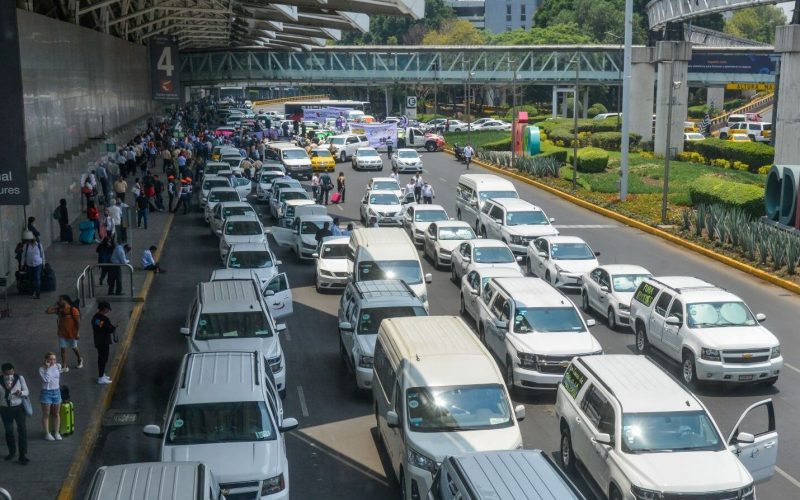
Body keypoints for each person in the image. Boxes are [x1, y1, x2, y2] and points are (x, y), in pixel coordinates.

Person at [1, 362, 29, 464]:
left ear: (14, 370)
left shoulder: (19, 378)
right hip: (5, 409)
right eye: (7, 373)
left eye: (11, 372)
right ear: (3, 373)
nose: (9, 375)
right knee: (9, 431)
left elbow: (26, 391)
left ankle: (22, 455)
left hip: (18, 408)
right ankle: (11, 452)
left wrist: (21, 393)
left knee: (22, 430)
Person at [45, 295, 83, 371]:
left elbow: (78, 322)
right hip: (62, 333)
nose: (59, 301)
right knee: (63, 349)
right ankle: (64, 366)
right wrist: (54, 304)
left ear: (65, 301)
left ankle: (80, 358)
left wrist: (77, 333)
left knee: (74, 347)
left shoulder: (73, 310)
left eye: (60, 300)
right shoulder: (59, 310)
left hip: (72, 333)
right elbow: (47, 311)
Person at [38, 352, 62, 441]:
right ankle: (47, 433)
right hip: (46, 392)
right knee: (46, 414)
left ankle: (56, 432)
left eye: (54, 359)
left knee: (56, 413)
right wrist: (47, 368)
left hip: (57, 391)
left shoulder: (58, 366)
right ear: (46, 360)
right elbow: (46, 380)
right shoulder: (41, 369)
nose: (53, 361)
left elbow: (58, 375)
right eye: (51, 359)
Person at [91, 302, 116, 385]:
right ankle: (101, 378)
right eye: (108, 309)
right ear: (105, 309)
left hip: (98, 341)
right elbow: (109, 329)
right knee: (103, 359)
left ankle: (102, 374)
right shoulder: (104, 319)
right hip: (104, 342)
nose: (109, 311)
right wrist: (115, 327)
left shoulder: (96, 317)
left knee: (102, 358)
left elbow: (100, 327)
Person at [20, 231, 44, 299]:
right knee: (31, 279)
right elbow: (23, 255)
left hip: (38, 264)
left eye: (34, 237)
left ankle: (38, 293)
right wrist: (22, 264)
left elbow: (42, 255)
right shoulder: (26, 246)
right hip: (29, 265)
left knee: (37, 279)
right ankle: (32, 291)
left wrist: (43, 263)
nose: (33, 238)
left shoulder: (39, 245)